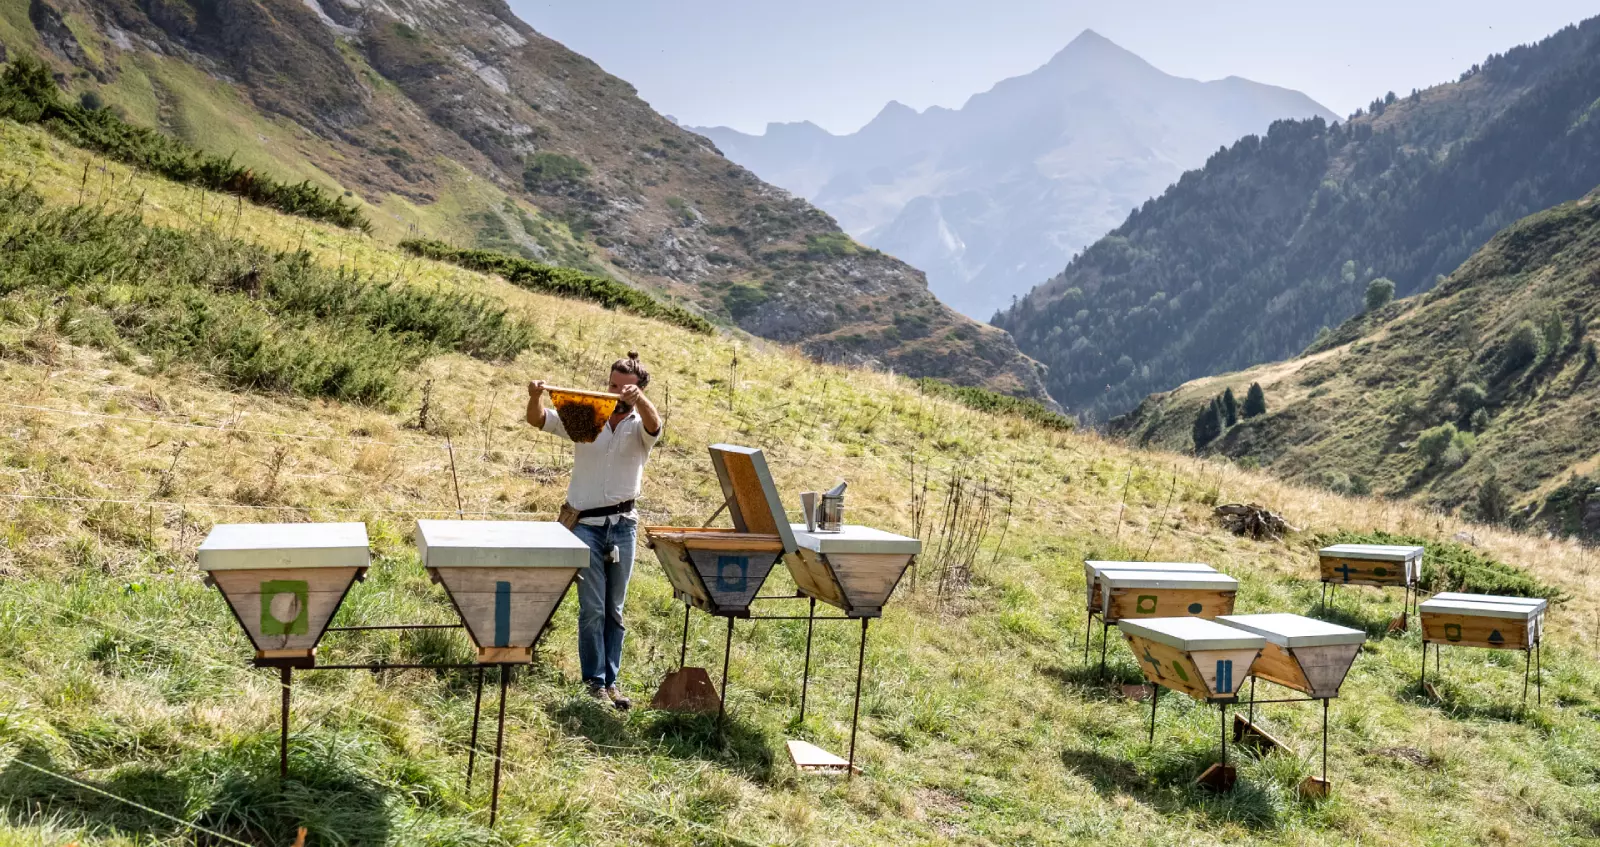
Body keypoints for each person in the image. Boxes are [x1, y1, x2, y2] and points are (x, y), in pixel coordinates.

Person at [526, 352, 662, 709]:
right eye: (612, 385)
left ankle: (612, 682)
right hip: (584, 524)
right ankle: (594, 682)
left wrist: (639, 400)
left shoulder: (640, 425)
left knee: (615, 608)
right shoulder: (588, 416)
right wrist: (535, 396)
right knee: (592, 608)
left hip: (623, 526)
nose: (615, 392)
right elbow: (538, 419)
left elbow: (655, 424)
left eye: (624, 388)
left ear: (638, 389)